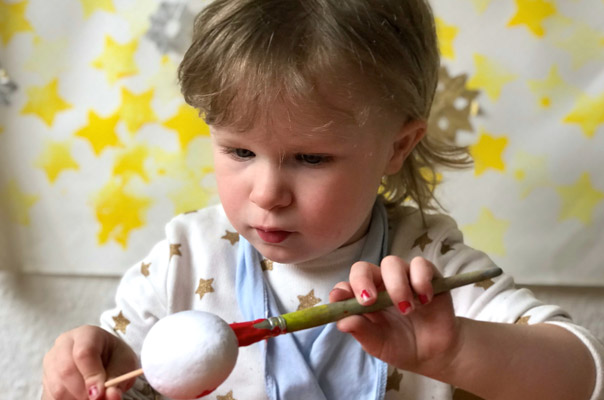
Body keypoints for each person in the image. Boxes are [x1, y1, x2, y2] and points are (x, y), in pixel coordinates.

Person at [42, 0, 603, 399]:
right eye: (238, 151)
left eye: (310, 159)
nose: (266, 193)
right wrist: (88, 373)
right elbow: (116, 381)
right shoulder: (182, 262)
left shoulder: (426, 268)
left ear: (397, 147)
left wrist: (454, 353)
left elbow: (581, 375)